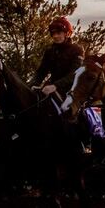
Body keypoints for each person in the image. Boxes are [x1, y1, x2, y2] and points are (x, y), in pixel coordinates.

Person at [31, 16, 88, 153]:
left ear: (67, 33)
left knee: (75, 115)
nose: (56, 36)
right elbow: (41, 72)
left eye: (59, 33)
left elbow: (74, 74)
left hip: (72, 89)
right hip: (50, 88)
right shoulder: (50, 51)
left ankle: (83, 144)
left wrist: (55, 85)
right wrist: (31, 85)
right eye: (53, 33)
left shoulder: (77, 50)